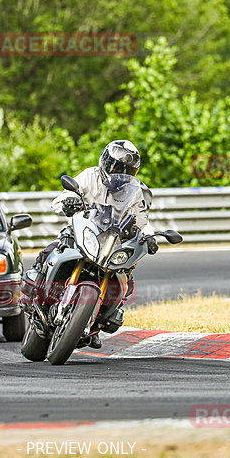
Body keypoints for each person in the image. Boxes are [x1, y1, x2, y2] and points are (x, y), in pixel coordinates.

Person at [19, 140, 159, 346]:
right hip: (84, 231)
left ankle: (97, 324)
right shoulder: (90, 176)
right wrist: (68, 203)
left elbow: (141, 220)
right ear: (106, 162)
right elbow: (61, 198)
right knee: (50, 252)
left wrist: (150, 236)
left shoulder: (135, 192)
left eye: (128, 170)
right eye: (117, 166)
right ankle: (33, 292)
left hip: (112, 243)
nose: (121, 173)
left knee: (126, 280)